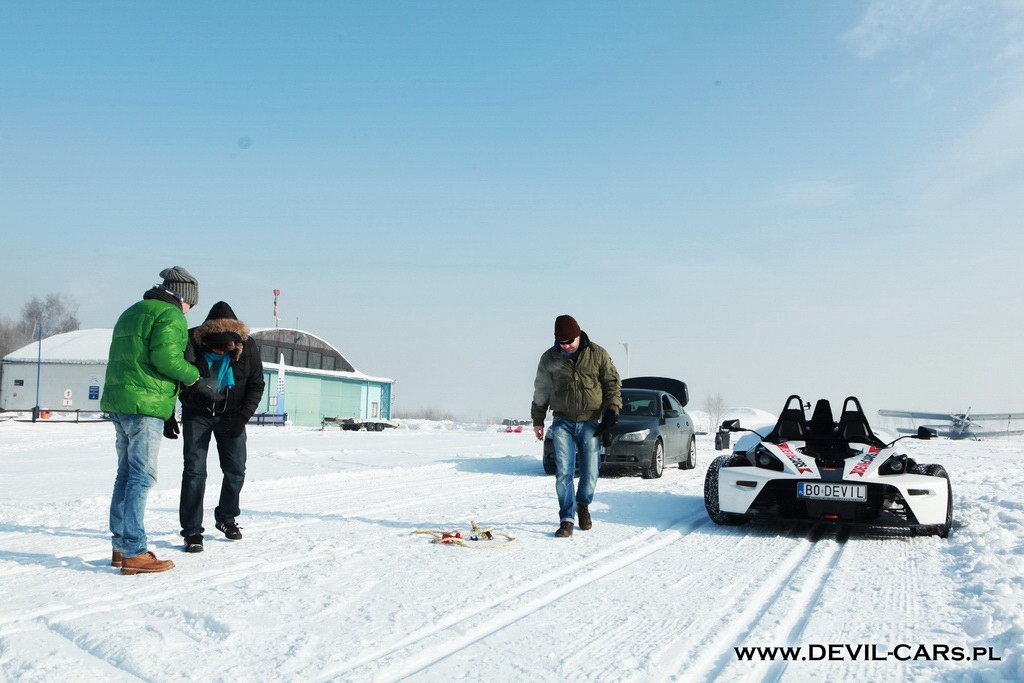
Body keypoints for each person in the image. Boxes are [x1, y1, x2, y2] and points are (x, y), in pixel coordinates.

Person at [102, 266, 201, 575]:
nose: (189, 310)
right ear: (182, 296)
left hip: (120, 402)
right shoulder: (170, 315)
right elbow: (166, 359)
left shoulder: (132, 310)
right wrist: (193, 375)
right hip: (146, 405)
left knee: (125, 475)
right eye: (191, 303)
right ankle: (134, 551)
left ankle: (120, 547)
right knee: (141, 477)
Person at [167, 301, 264, 553]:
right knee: (194, 472)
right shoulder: (191, 340)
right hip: (197, 415)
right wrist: (170, 412)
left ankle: (226, 517)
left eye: (225, 347)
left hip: (232, 416)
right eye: (215, 347)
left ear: (236, 343)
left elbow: (256, 384)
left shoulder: (249, 346)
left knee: (235, 470)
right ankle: (192, 531)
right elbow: (173, 377)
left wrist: (242, 418)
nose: (220, 351)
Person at [532, 315, 622, 537]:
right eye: (561, 343)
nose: (566, 346)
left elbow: (612, 384)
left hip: (591, 421)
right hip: (562, 421)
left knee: (591, 471)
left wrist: (612, 412)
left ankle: (583, 505)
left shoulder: (597, 354)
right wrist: (538, 420)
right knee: (564, 472)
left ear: (578, 335)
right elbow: (541, 389)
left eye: (569, 342)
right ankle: (567, 519)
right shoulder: (549, 358)